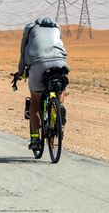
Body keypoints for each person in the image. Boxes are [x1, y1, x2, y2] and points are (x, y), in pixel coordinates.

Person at [15, 17, 69, 151]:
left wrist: (21, 71)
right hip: (60, 62)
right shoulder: (57, 27)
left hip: (38, 64)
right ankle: (60, 105)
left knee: (35, 100)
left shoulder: (30, 28)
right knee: (60, 84)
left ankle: (35, 139)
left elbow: (23, 51)